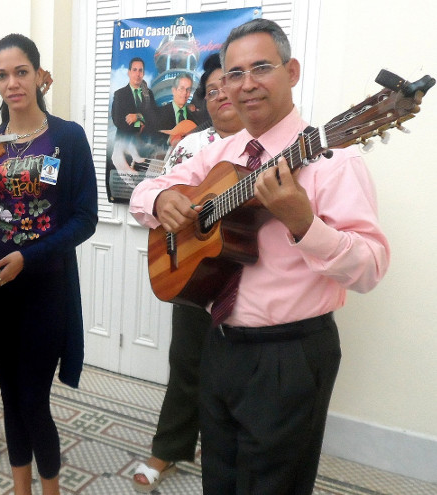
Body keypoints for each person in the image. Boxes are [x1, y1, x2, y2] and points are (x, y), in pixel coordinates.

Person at [129, 19, 390, 494]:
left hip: (289, 358)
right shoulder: (221, 152)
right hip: (220, 345)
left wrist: (303, 224)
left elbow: (371, 268)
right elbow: (146, 190)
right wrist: (158, 200)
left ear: (291, 72)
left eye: (261, 68)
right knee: (220, 482)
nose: (245, 84)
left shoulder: (336, 160)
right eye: (234, 73)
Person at [0, 33, 98, 495]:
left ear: (38, 74)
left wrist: (26, 258)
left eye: (20, 72)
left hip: (46, 288)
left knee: (33, 399)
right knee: (9, 399)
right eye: (2, 75)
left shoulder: (67, 136)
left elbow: (85, 219)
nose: (12, 83)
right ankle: (21, 489)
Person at [131, 52, 244, 493]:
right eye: (211, 90)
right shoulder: (192, 146)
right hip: (196, 271)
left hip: (249, 280)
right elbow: (160, 200)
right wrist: (166, 205)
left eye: (226, 85)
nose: (221, 96)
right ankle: (171, 447)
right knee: (187, 364)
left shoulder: (275, 149)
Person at [110, 57, 158, 175]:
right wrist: (140, 125)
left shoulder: (149, 94)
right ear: (129, 72)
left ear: (143, 73)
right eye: (135, 70)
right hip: (124, 147)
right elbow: (118, 121)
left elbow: (154, 117)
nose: (137, 74)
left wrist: (138, 117)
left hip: (145, 148)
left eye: (140, 70)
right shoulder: (120, 94)